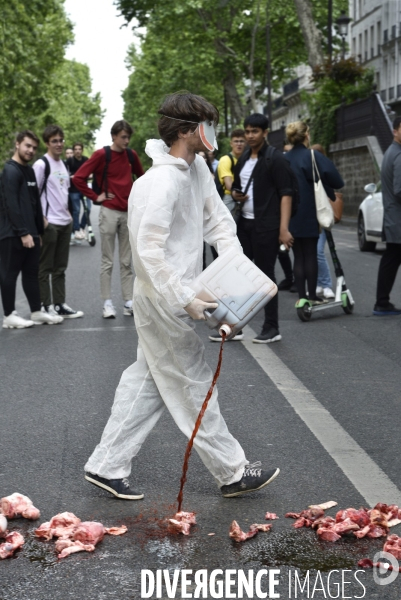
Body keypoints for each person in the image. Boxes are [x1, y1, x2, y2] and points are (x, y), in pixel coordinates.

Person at [84, 91, 279, 500]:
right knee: (192, 382)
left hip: (184, 292)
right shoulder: (159, 182)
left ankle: (106, 464)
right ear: (188, 130)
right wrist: (183, 298)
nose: (214, 132)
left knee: (147, 381)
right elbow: (148, 252)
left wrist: (235, 272)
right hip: (163, 297)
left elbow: (218, 220)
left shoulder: (198, 170)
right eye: (207, 123)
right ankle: (233, 472)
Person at [227, 113, 295, 344]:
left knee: (266, 276)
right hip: (245, 223)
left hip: (267, 225)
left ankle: (272, 327)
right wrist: (236, 194)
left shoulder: (275, 159)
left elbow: (286, 194)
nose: (249, 136)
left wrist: (283, 229)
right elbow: (237, 186)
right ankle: (237, 325)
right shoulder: (245, 157)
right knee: (242, 275)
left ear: (265, 133)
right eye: (247, 131)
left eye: (254, 131)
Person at [73, 120, 144, 318]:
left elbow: (142, 177)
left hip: (128, 212)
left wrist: (138, 199)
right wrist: (96, 197)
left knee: (126, 261)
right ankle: (107, 303)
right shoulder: (102, 155)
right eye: (123, 137)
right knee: (107, 261)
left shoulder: (131, 155)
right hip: (109, 212)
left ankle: (128, 301)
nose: (126, 140)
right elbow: (78, 177)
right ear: (113, 136)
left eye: (128, 137)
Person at [0, 131, 63, 328]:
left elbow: (34, 203)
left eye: (34, 148)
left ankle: (36, 312)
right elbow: (11, 205)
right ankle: (9, 315)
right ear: (17, 144)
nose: (31, 150)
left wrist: (38, 232)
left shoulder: (27, 170)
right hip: (12, 233)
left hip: (31, 233)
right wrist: (23, 232)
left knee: (31, 273)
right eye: (27, 146)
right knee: (9, 274)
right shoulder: (10, 171)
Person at [284, 122, 343, 304]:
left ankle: (301, 297)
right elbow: (336, 180)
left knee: (298, 256)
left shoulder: (284, 158)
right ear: (306, 135)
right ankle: (312, 296)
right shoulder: (312, 156)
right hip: (309, 210)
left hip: (289, 212)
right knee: (310, 254)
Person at [33, 125, 84, 319]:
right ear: (47, 143)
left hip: (65, 222)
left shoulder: (63, 164)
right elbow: (33, 194)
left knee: (60, 268)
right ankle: (45, 306)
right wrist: (42, 221)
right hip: (50, 223)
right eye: (54, 141)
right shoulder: (41, 165)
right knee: (45, 267)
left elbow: (64, 192)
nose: (59, 144)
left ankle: (59, 304)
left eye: (61, 140)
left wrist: (70, 216)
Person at [373, 116, 401, 316]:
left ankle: (382, 302)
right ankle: (381, 303)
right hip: (398, 219)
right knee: (390, 260)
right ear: (395, 131)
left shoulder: (391, 152)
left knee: (390, 260)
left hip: (393, 218)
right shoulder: (399, 155)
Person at [311, 144, 336, 300]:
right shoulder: (307, 174)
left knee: (318, 252)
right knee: (312, 253)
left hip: (322, 219)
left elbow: (333, 195)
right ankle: (319, 284)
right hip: (310, 220)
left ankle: (326, 284)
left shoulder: (324, 176)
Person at [216, 128, 246, 214]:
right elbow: (229, 186)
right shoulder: (226, 160)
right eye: (236, 141)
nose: (239, 144)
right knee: (228, 226)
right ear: (231, 143)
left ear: (245, 143)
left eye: (241, 141)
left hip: (243, 197)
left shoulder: (246, 159)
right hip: (229, 199)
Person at [66, 143, 89, 242]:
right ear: (74, 150)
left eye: (79, 149)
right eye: (75, 149)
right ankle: (76, 230)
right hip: (73, 190)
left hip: (84, 189)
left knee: (88, 208)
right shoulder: (69, 161)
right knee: (76, 210)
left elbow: (90, 171)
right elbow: (65, 173)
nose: (77, 151)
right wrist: (71, 176)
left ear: (82, 150)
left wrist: (90, 175)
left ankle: (82, 227)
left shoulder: (86, 160)